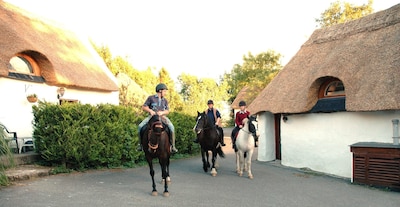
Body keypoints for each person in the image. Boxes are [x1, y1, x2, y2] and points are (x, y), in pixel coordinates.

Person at [137, 83, 178, 153]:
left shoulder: (165, 100)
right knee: (140, 126)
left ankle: (173, 146)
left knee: (172, 127)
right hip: (152, 117)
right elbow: (144, 107)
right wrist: (150, 111)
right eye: (164, 91)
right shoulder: (151, 98)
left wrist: (162, 113)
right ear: (160, 91)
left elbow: (167, 111)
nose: (165, 93)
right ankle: (140, 145)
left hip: (162, 117)